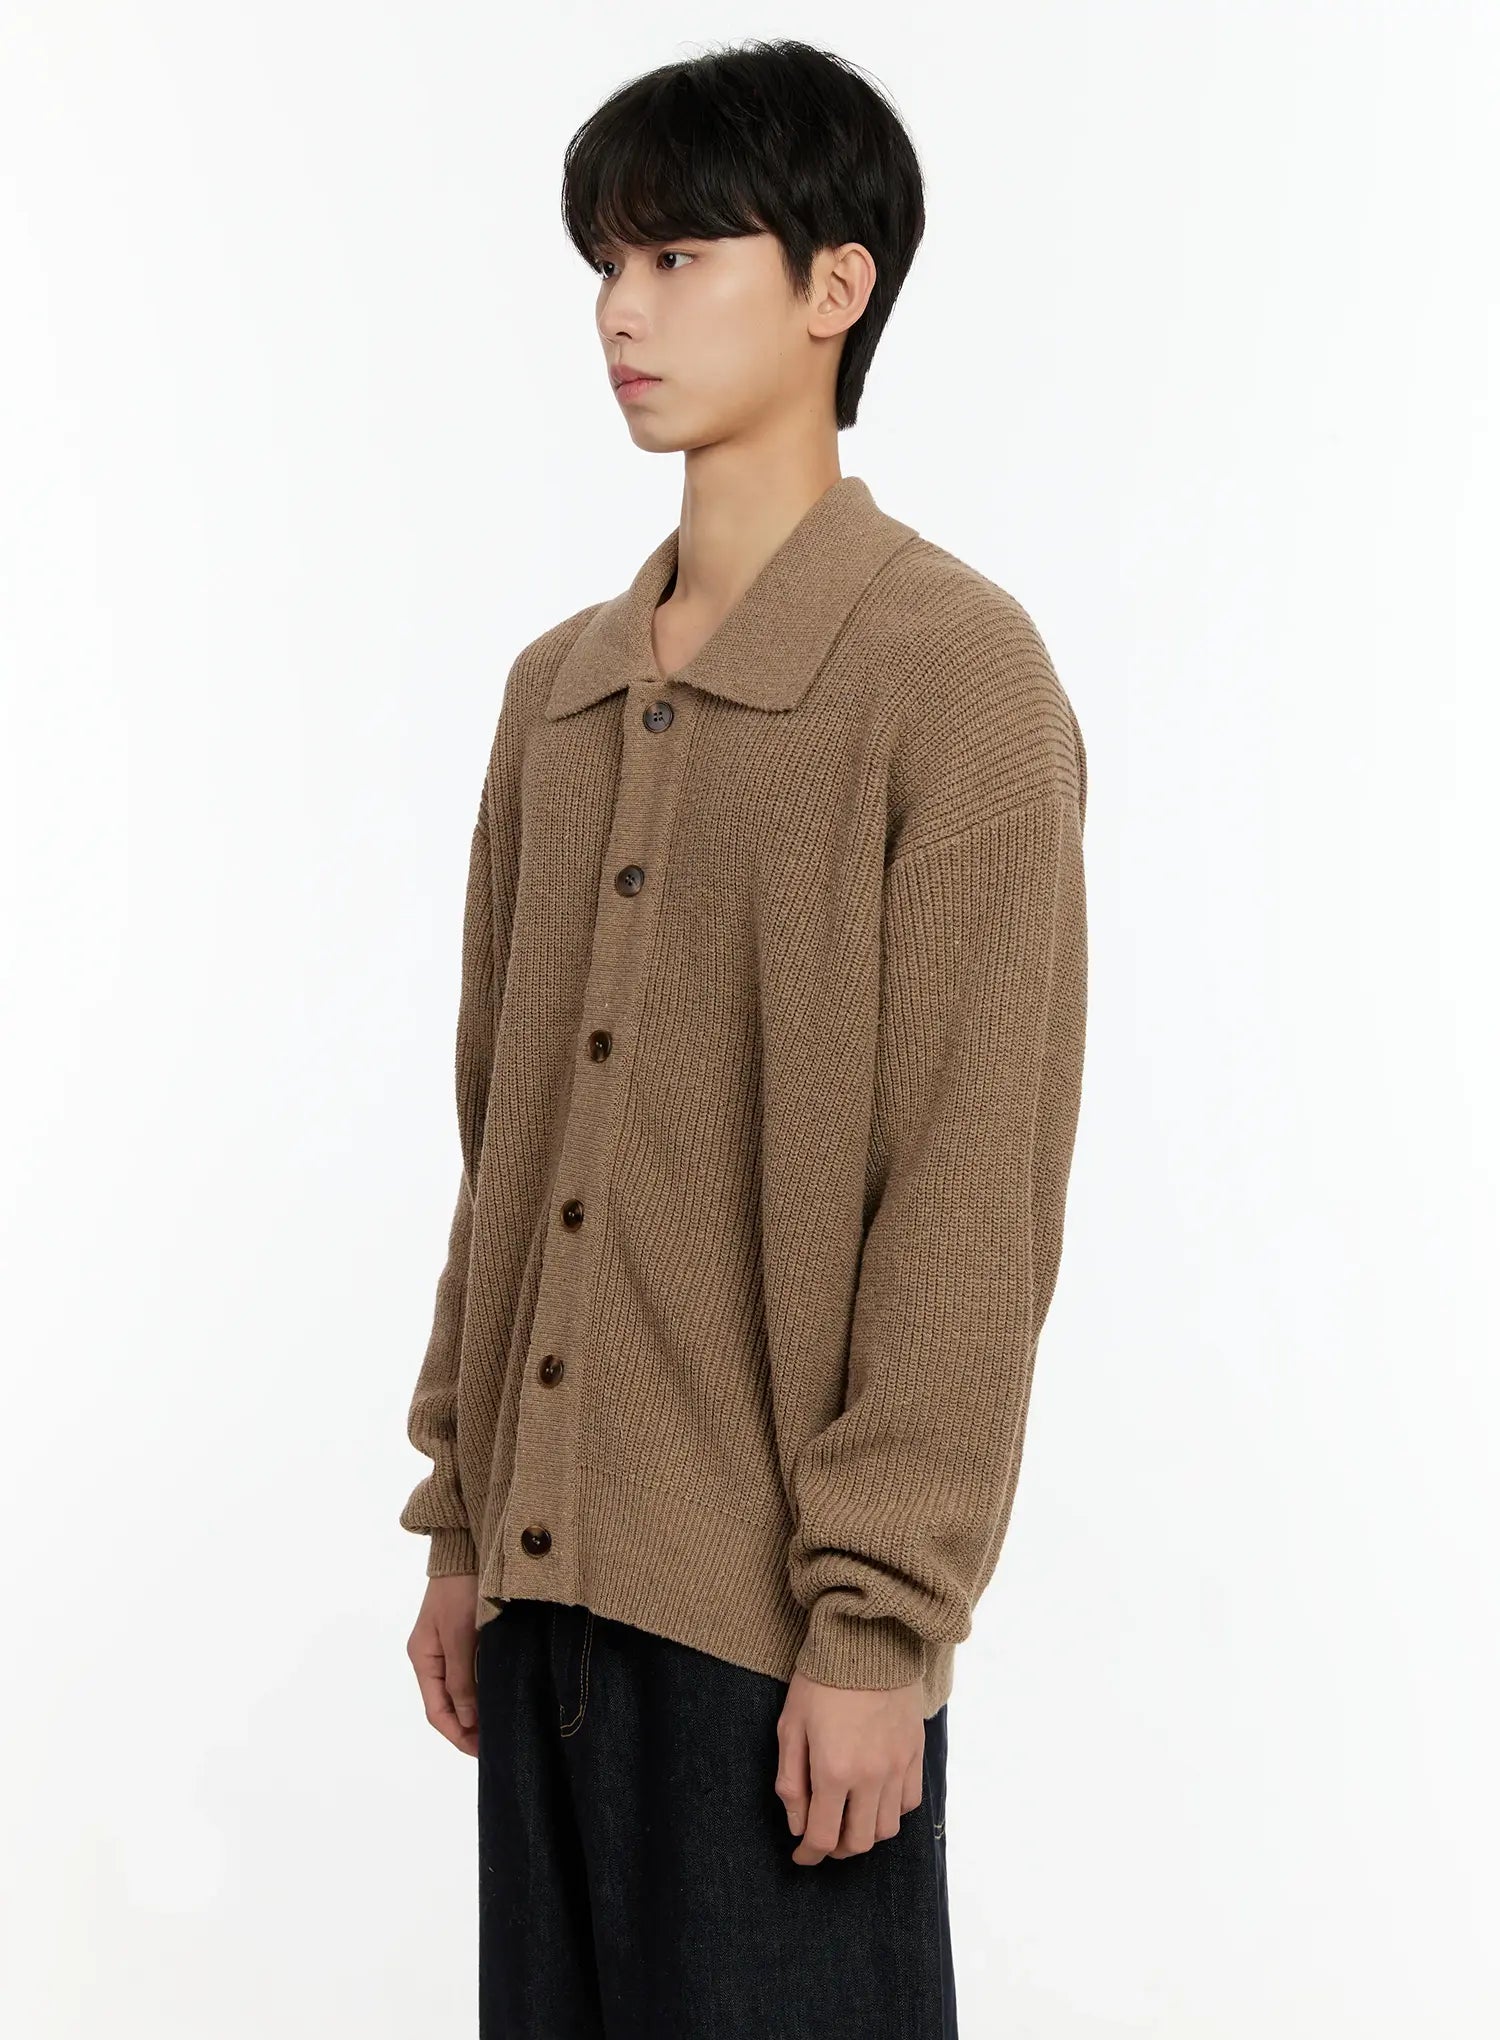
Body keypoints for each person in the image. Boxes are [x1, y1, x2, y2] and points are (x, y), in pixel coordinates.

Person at [399, 37, 1088, 2039]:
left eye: (679, 256)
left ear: (833, 286)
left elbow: (968, 1190)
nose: (620, 312)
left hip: (776, 1641)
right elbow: (505, 1146)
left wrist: (880, 1623)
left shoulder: (951, 677)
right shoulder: (559, 694)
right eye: (607, 265)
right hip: (541, 1607)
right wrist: (465, 1517)